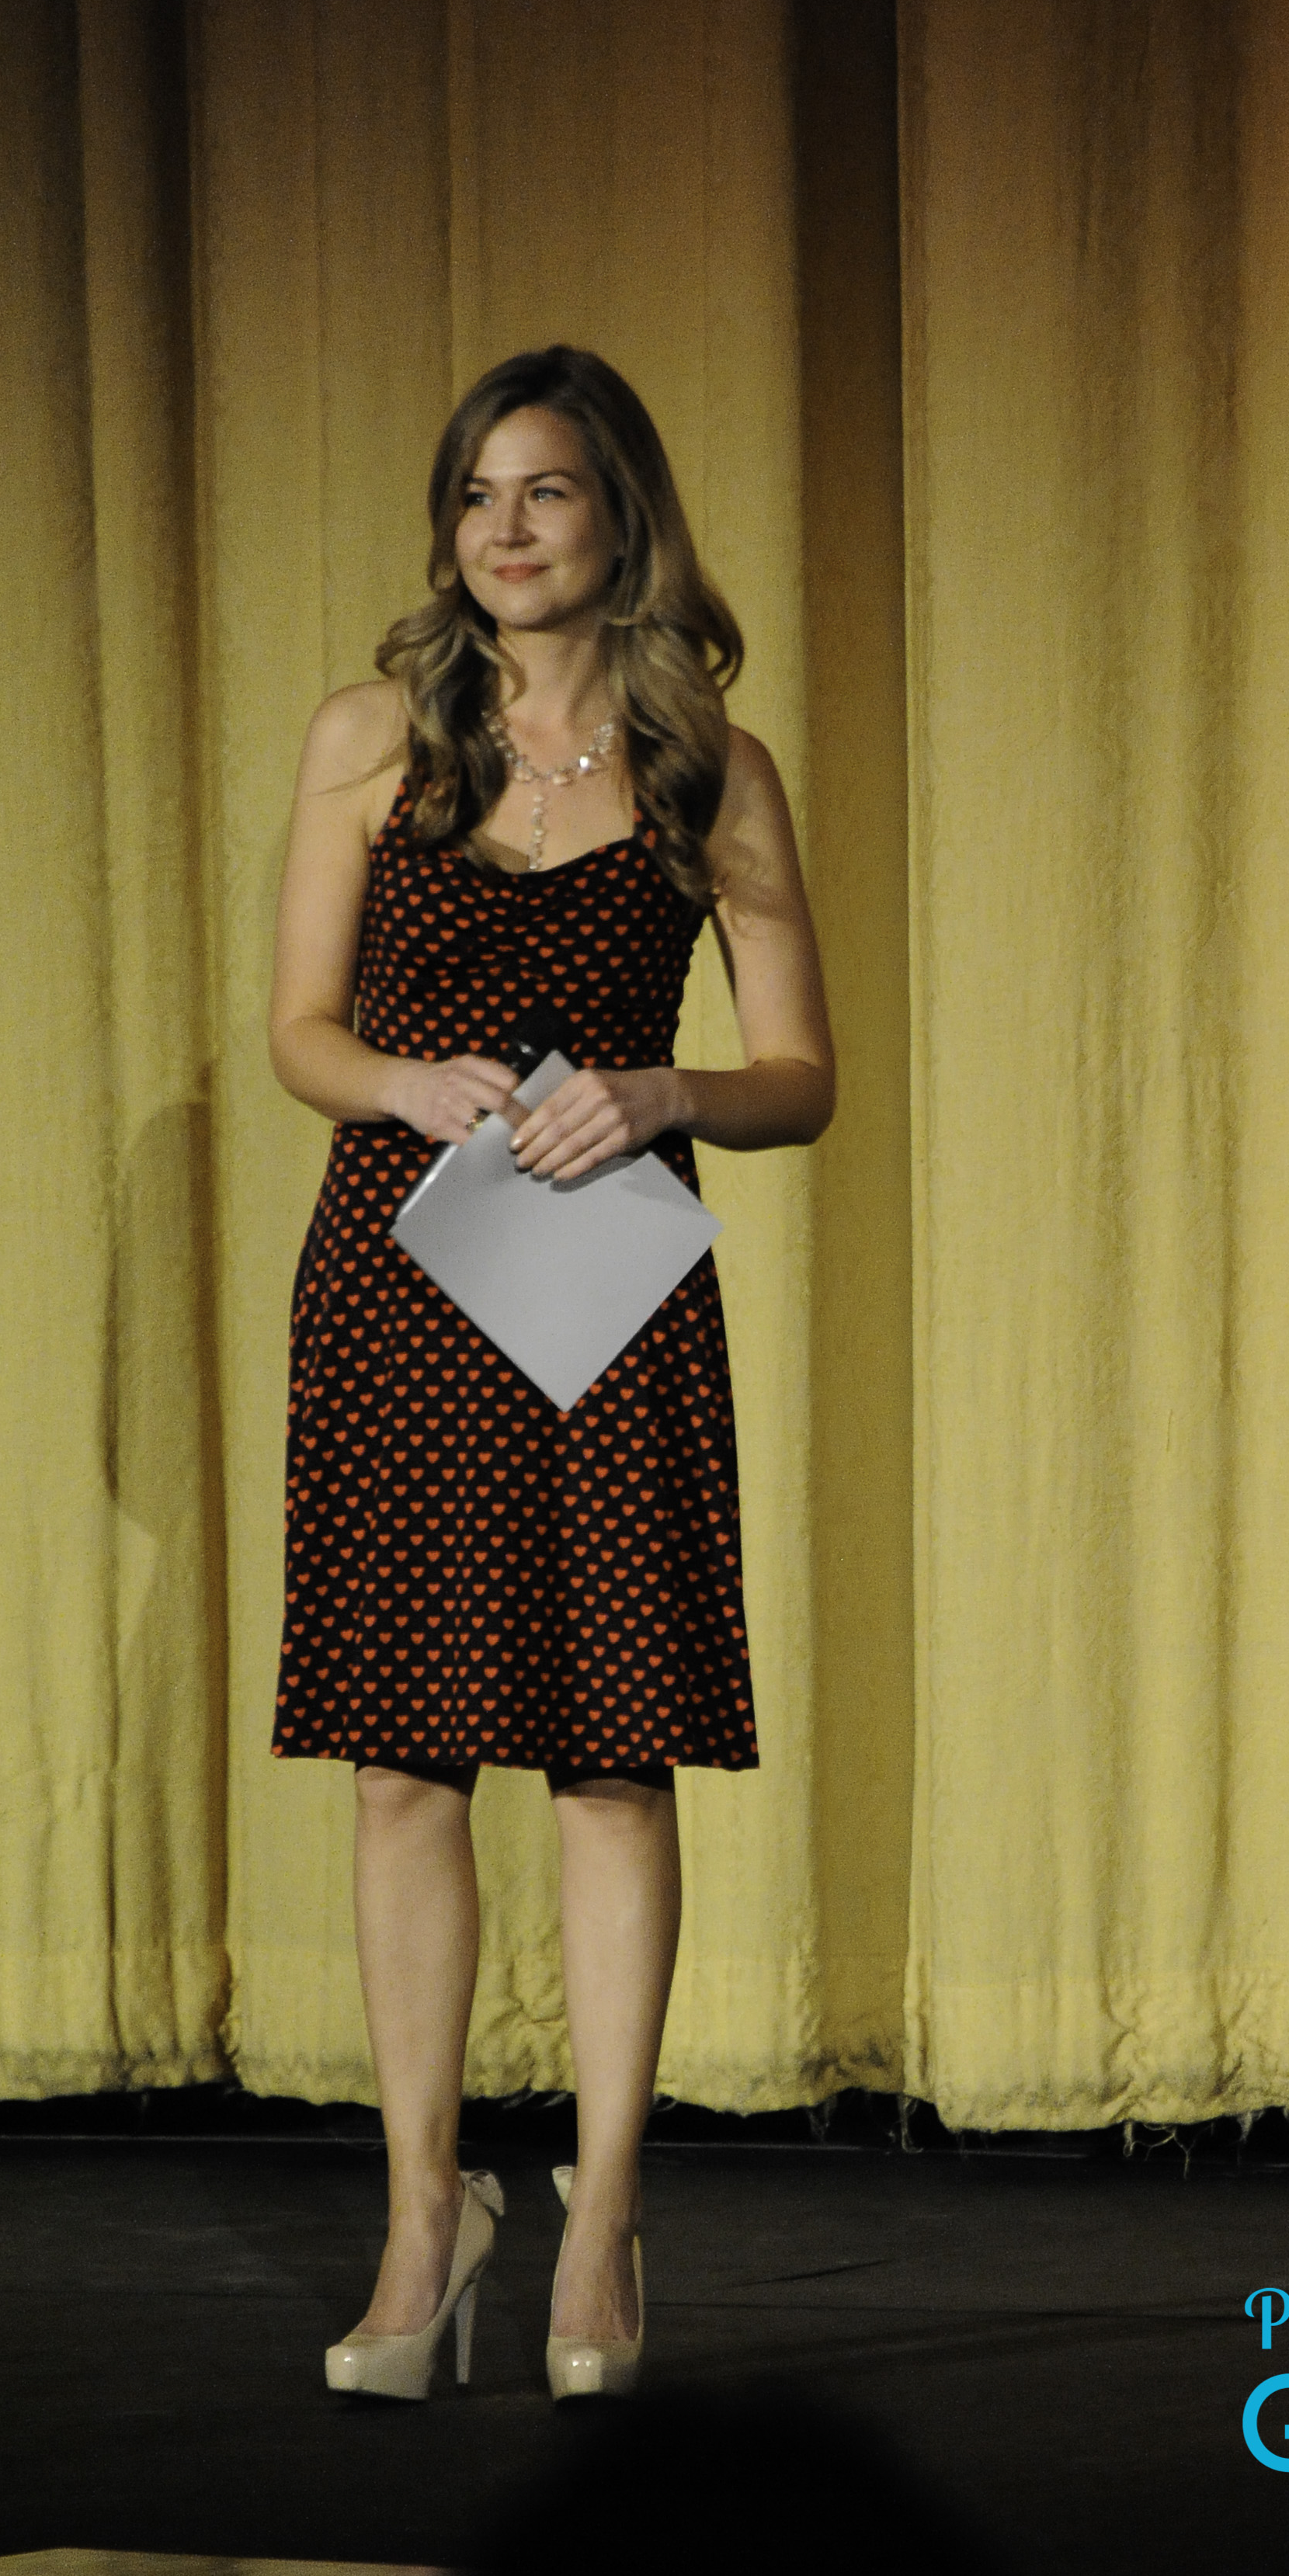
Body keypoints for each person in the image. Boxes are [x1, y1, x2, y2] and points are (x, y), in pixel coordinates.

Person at [266, 345, 835, 2401]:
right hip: (404, 1287)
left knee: (611, 1749)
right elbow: (300, 1033)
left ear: (620, 520)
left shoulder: (709, 768)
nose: (505, 532)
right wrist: (400, 1078)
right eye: (476, 496)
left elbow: (802, 1078)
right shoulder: (368, 739)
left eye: (548, 495)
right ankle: (428, 2214)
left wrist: (660, 1082)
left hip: (604, 1291)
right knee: (404, 1757)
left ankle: (599, 2216)